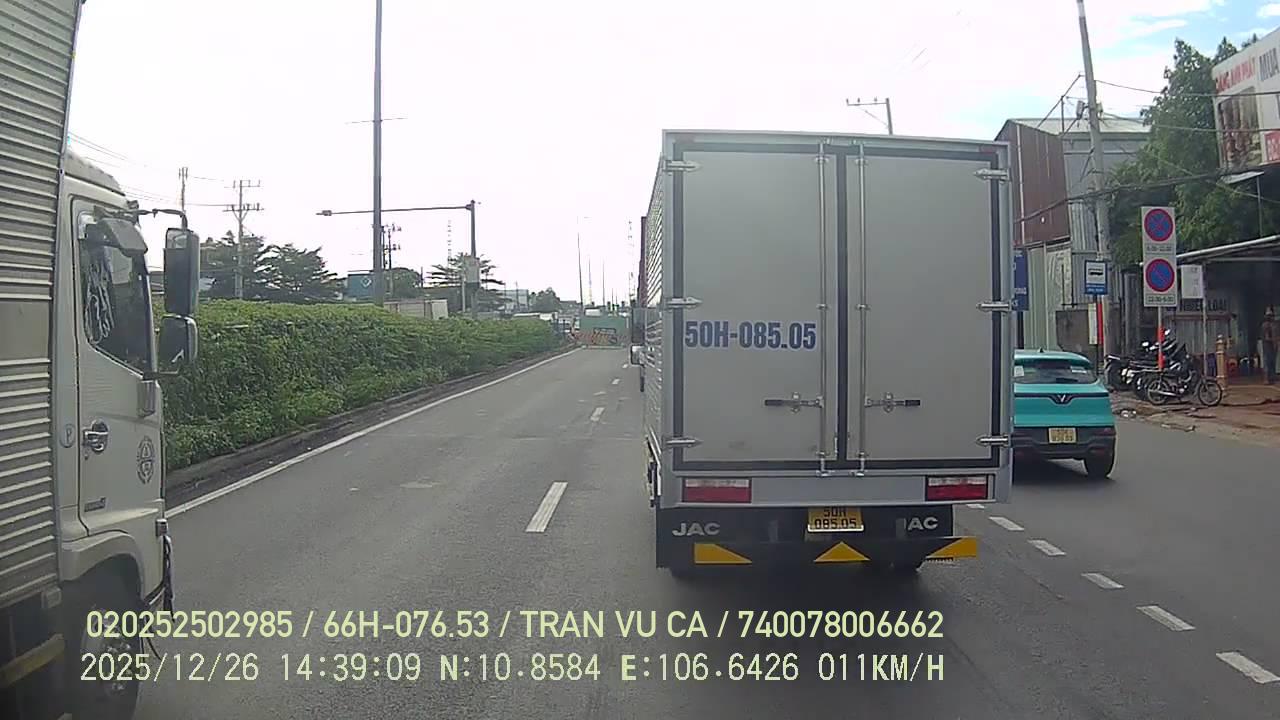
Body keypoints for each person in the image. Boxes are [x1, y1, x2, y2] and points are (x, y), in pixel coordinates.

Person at [1263, 308, 1279, 385]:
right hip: (1268, 346)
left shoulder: (1274, 325)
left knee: (1272, 362)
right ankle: (1266, 378)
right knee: (1268, 362)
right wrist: (1274, 340)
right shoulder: (1266, 325)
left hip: (1273, 346)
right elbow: (1267, 337)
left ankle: (1272, 377)